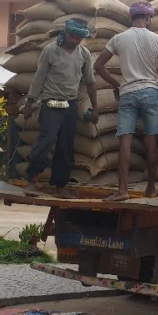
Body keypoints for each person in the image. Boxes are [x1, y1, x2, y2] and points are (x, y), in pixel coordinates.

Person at [95, 2, 158, 201]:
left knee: (125, 141)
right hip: (150, 92)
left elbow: (99, 65)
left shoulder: (118, 38)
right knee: (150, 142)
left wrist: (117, 84)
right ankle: (151, 188)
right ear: (147, 19)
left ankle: (122, 191)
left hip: (128, 93)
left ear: (132, 18)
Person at [21, 18, 99, 198]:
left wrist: (95, 108)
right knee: (46, 141)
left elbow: (90, 82)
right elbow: (38, 79)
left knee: (66, 146)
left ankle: (60, 186)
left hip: (70, 104)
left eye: (79, 37)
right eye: (73, 35)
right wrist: (29, 102)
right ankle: (32, 180)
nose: (75, 39)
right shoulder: (50, 50)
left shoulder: (84, 54)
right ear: (66, 33)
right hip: (51, 103)